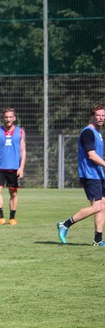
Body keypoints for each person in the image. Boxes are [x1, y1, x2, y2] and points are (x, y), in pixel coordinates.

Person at [56, 103, 105, 247]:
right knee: (97, 207)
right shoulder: (88, 132)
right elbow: (91, 155)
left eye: (103, 115)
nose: (101, 118)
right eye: (98, 115)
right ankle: (65, 224)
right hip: (91, 175)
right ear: (92, 116)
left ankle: (98, 240)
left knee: (102, 206)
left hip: (98, 174)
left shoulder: (98, 133)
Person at [0, 108, 26, 225]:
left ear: (14, 118)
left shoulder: (20, 132)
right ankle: (0, 218)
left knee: (13, 193)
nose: (8, 119)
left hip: (14, 168)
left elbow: (23, 151)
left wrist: (21, 167)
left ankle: (12, 218)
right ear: (3, 118)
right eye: (6, 117)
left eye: (10, 117)